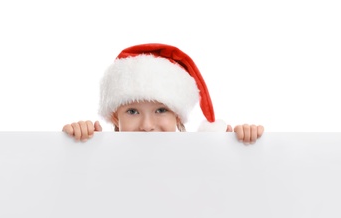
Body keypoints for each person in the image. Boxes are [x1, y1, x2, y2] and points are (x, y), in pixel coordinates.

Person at [63, 43, 264, 144]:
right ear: (115, 117)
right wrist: (83, 146)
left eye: (161, 110)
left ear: (177, 115)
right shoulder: (103, 157)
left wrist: (238, 146)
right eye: (133, 111)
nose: (147, 126)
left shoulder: (197, 159)